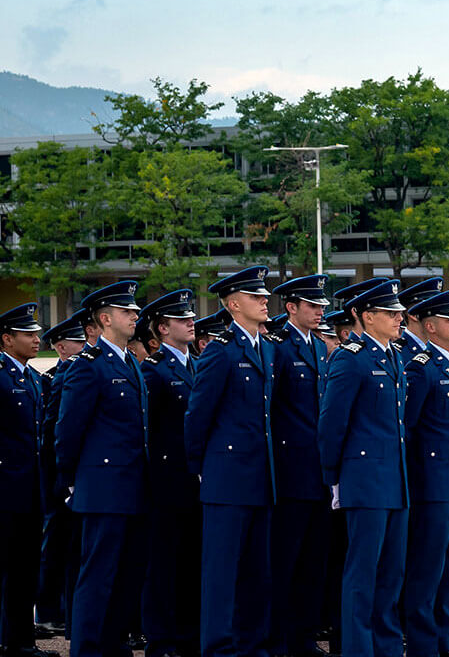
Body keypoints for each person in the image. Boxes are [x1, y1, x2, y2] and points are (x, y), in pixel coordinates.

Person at [183, 266, 278, 657]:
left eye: (265, 296)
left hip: (259, 477)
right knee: (221, 573)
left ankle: (252, 645)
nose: (265, 301)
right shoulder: (221, 351)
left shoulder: (265, 348)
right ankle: (218, 648)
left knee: (257, 573)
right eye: (257, 297)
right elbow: (197, 416)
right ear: (234, 304)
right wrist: (203, 469)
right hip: (226, 478)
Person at [318, 279, 411, 657]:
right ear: (367, 316)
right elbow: (331, 424)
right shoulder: (351, 357)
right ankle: (358, 649)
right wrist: (334, 479)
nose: (399, 318)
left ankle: (387, 648)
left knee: (391, 575)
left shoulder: (394, 356)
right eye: (390, 313)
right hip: (364, 481)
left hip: (394, 480)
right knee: (362, 575)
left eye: (399, 312)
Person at [56, 281, 148, 657]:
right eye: (128, 312)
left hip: (133, 486)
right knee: (97, 575)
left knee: (127, 575)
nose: (135, 316)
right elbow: (68, 431)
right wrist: (73, 481)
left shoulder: (129, 362)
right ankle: (88, 649)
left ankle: (113, 644)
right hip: (103, 487)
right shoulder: (88, 367)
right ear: (106, 318)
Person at [262, 275, 333, 657]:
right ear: (291, 307)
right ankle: (279, 640)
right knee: (285, 562)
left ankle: (303, 637)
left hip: (316, 470)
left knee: (312, 563)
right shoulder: (279, 347)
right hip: (290, 471)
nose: (320, 310)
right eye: (312, 305)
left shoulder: (320, 348)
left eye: (321, 305)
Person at [402, 289, 449, 657]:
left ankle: (448, 642)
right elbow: (409, 430)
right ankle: (424, 645)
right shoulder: (420, 366)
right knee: (427, 571)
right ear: (430, 326)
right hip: (433, 485)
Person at [0, 302, 55, 657]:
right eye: (28, 334)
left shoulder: (31, 378)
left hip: (29, 490)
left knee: (24, 571)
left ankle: (20, 643)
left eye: (36, 333)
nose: (36, 339)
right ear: (6, 339)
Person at [136, 290, 200, 657]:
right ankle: (160, 642)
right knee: (162, 567)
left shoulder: (197, 364)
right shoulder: (154, 369)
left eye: (190, 317)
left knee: (190, 564)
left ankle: (188, 637)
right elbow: (146, 430)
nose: (191, 322)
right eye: (182, 319)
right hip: (165, 484)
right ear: (162, 328)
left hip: (194, 483)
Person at [36, 313, 90, 642]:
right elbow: (52, 431)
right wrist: (59, 478)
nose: (84, 346)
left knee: (69, 544)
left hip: (71, 474)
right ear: (61, 347)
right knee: (56, 543)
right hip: (58, 475)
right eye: (78, 341)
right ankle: (47, 613)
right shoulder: (59, 376)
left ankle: (58, 610)